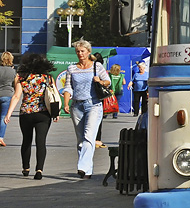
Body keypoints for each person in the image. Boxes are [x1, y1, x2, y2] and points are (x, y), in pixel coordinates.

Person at [4, 54, 59, 179]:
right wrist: (56, 113)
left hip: (26, 113)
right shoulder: (48, 78)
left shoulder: (21, 78)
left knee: (26, 140)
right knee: (41, 142)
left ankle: (25, 167)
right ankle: (39, 170)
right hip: (43, 114)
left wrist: (9, 113)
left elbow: (16, 96)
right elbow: (54, 96)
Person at [63, 40, 110, 179]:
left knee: (89, 136)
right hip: (77, 105)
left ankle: (82, 166)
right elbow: (68, 87)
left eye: (82, 51)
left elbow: (107, 81)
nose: (80, 54)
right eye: (78, 51)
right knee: (80, 140)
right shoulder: (72, 68)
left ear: (88, 52)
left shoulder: (97, 66)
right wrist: (66, 103)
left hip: (93, 104)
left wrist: (99, 81)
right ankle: (87, 171)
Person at [0, 51, 16, 147]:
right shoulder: (13, 71)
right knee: (3, 117)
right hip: (7, 94)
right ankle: (0, 137)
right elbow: (15, 84)